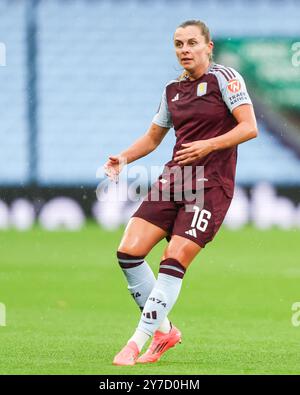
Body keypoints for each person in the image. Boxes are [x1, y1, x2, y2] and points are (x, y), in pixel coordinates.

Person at [103, 20, 258, 366]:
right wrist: (124, 157)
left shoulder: (225, 79)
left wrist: (208, 146)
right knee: (128, 251)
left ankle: (136, 341)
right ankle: (166, 330)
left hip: (211, 185)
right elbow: (154, 137)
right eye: (178, 44)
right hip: (175, 180)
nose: (185, 50)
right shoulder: (172, 90)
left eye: (191, 43)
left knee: (172, 259)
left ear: (208, 46)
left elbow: (249, 127)